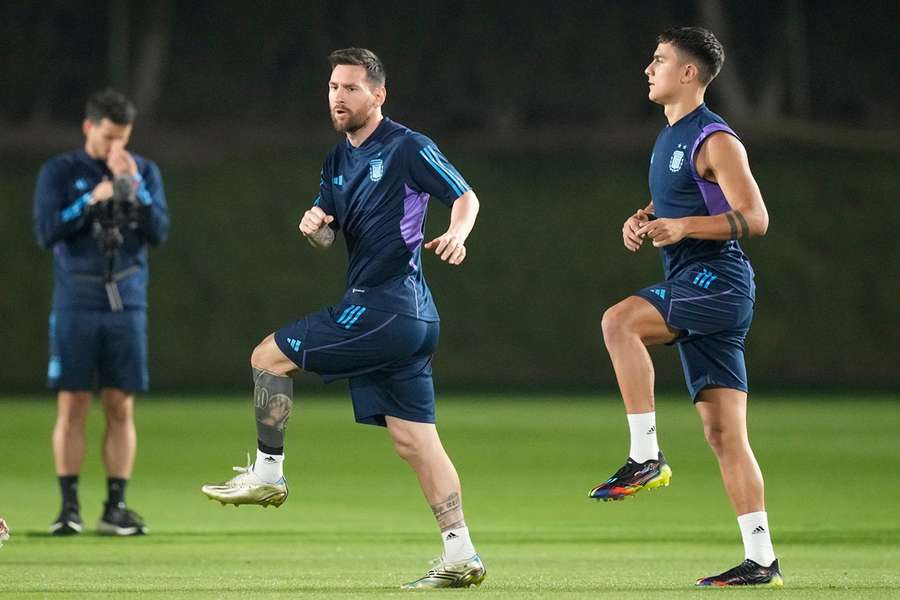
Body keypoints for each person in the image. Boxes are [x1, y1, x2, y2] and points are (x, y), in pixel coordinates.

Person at [201, 48, 485, 589]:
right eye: (333, 86)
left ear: (378, 95)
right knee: (415, 441)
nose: (339, 96)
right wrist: (316, 229)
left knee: (267, 357)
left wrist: (457, 233)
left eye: (351, 88)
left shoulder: (407, 146)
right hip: (406, 319)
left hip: (386, 307)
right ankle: (461, 554)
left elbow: (466, 196)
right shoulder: (337, 159)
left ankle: (268, 474)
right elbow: (329, 233)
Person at [587, 27, 783, 587]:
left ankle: (645, 456)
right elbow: (684, 197)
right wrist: (644, 217)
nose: (649, 69)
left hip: (716, 281)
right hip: (696, 282)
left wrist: (684, 227)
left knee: (619, 320)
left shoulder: (716, 138)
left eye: (659, 60)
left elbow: (756, 217)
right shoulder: (670, 135)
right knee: (724, 435)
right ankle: (761, 559)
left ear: (689, 74)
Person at [33, 88, 169, 536]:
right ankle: (68, 508)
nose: (117, 148)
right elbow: (47, 231)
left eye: (123, 138)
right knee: (72, 403)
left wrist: (139, 192)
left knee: (120, 405)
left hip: (127, 301)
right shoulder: (60, 171)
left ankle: (116, 507)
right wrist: (92, 199)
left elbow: (159, 231)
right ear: (89, 127)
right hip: (77, 300)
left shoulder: (144, 169)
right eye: (109, 137)